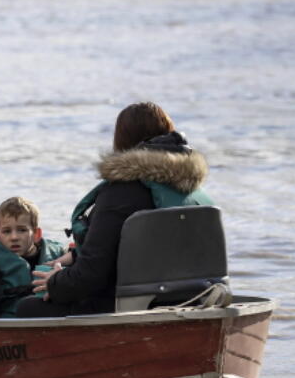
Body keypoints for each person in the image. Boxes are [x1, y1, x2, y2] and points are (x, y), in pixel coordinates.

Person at [16, 101, 214, 318]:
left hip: (129, 306)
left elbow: (91, 277)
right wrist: (75, 255)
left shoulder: (120, 193)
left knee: (25, 307)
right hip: (193, 298)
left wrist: (55, 283)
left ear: (121, 141)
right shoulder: (194, 193)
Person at [0, 196, 69, 318]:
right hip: (7, 322)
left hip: (47, 318)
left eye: (22, 230)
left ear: (36, 234)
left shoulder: (58, 254)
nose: (14, 237)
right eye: (6, 231)